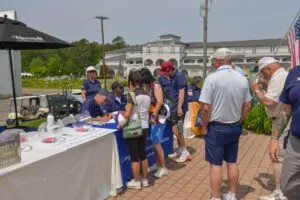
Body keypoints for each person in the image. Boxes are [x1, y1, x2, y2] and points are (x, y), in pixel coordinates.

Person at [199, 48, 252, 200]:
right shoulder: (242, 78)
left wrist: (204, 126)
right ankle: (232, 194)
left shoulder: (212, 78)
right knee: (232, 161)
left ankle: (216, 196)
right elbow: (247, 105)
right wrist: (240, 121)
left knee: (216, 165)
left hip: (217, 127)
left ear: (217, 61)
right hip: (234, 126)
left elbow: (206, 107)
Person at [250, 57, 289, 200]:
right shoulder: (282, 76)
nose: (263, 76)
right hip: (282, 119)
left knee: (276, 155)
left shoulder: (278, 78)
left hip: (281, 120)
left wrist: (256, 91)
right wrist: (264, 85)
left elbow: (269, 102)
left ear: (269, 69)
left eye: (263, 73)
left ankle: (280, 192)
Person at [117, 69, 151, 190]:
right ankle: (145, 179)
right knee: (143, 153)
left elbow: (127, 115)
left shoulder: (132, 94)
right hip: (145, 126)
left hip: (134, 128)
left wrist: (120, 123)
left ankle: (136, 181)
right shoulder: (147, 93)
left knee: (134, 156)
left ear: (131, 82)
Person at [273, 65, 300, 199]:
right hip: (296, 142)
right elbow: (286, 109)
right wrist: (274, 138)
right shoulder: (294, 73)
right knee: (288, 187)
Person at [158, 61, 191, 163]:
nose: (163, 74)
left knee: (177, 129)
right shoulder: (170, 77)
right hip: (172, 107)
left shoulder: (179, 76)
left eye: (164, 72)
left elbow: (181, 93)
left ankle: (185, 152)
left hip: (179, 107)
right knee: (175, 128)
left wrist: (180, 107)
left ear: (169, 70)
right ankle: (180, 149)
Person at [139, 67, 168, 178]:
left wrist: (154, 115)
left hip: (158, 117)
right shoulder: (149, 86)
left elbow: (159, 102)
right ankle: (157, 164)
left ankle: (163, 167)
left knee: (156, 143)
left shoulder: (156, 85)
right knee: (154, 142)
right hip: (153, 117)